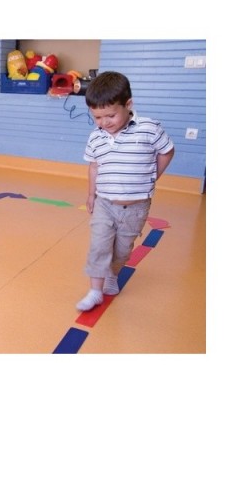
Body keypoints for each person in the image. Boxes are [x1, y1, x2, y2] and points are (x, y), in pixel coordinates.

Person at [75, 71, 175, 311]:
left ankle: (112, 275)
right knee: (99, 245)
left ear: (128, 105)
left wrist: (152, 177)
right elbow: (94, 166)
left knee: (122, 251)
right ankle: (95, 291)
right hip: (104, 203)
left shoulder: (148, 128)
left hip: (136, 207)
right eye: (97, 117)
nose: (104, 122)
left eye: (110, 115)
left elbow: (167, 151)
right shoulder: (96, 137)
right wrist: (91, 194)